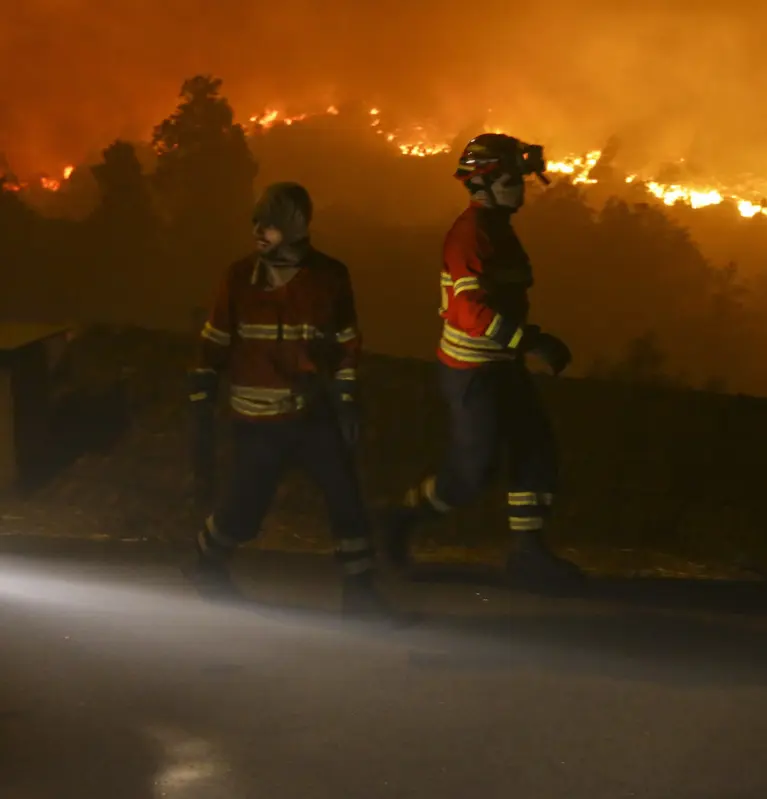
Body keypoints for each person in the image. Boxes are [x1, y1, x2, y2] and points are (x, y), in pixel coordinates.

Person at [379, 133, 583, 591]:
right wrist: (531, 342)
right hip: (473, 373)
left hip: (501, 364)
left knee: (537, 452)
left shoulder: (496, 227)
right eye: (513, 179)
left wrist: (522, 346)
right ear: (483, 184)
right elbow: (470, 313)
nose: (522, 188)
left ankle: (528, 555)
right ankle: (397, 521)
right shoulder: (471, 235)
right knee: (472, 475)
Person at [184, 181, 386, 619]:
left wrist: (347, 395)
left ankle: (361, 593)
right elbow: (214, 339)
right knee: (244, 510)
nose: (259, 231)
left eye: (271, 225)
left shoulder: (330, 277)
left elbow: (346, 341)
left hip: (312, 412)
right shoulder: (238, 278)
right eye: (256, 222)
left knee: (345, 496)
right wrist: (202, 393)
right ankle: (206, 564)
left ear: (295, 229)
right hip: (257, 421)